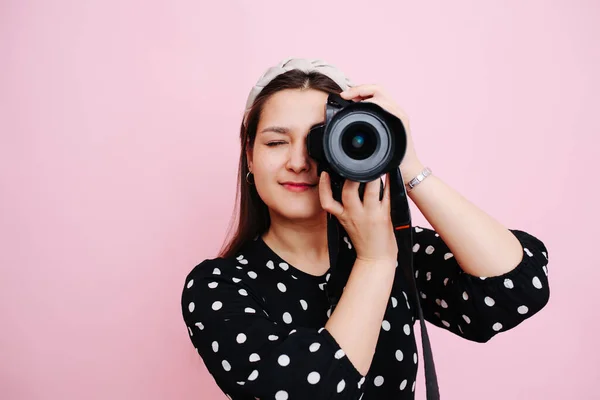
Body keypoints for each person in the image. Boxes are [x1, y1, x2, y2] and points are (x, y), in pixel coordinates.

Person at [180, 58, 550, 400]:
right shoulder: (218, 286)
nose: (297, 162)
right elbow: (311, 389)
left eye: (318, 143)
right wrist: (375, 260)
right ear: (249, 154)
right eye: (276, 142)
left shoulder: (398, 250)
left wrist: (407, 163)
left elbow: (517, 289)